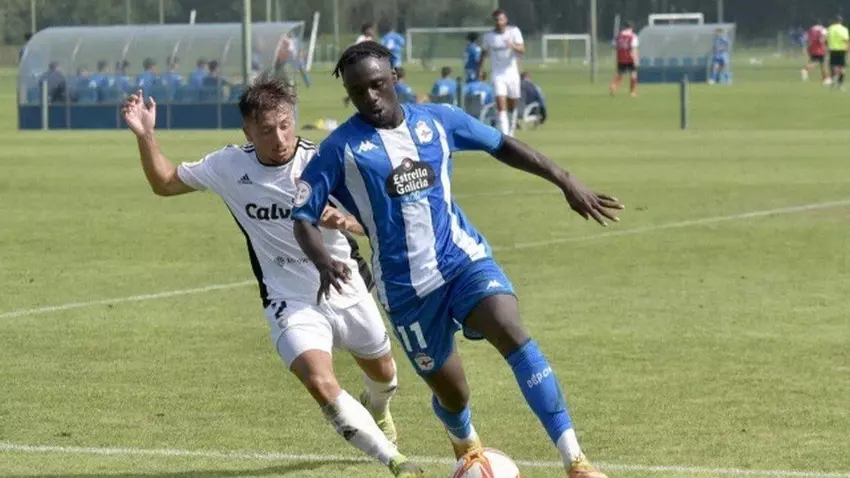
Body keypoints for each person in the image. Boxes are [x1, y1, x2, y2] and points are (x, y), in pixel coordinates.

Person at [291, 41, 621, 478]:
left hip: (462, 260)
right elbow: (303, 215)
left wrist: (564, 179)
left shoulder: (439, 120)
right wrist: (322, 261)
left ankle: (575, 460)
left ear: (394, 77)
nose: (370, 96)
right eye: (357, 91)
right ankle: (466, 443)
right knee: (454, 395)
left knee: (512, 331)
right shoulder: (339, 149)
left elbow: (500, 144)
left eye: (377, 84)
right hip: (407, 291)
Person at [119, 75, 424, 478]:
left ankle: (378, 409)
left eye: (285, 125)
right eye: (266, 130)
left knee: (385, 377)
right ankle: (394, 461)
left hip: (345, 286)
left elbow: (381, 224)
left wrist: (345, 221)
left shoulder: (326, 161)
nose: (280, 138)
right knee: (320, 382)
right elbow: (165, 183)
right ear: (248, 132)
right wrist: (145, 135)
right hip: (289, 300)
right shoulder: (229, 166)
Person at [479, 9, 525, 136]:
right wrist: (480, 69)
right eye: (497, 20)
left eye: (501, 19)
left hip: (512, 73)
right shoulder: (489, 36)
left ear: (506, 20)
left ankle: (511, 130)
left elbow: (522, 49)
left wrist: (512, 45)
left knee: (512, 104)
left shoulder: (514, 32)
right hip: (497, 74)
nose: (499, 22)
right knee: (500, 103)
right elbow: (484, 53)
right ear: (494, 21)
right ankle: (506, 135)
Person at [610, 22, 639, 97]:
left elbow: (613, 45)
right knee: (633, 74)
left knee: (620, 74)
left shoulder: (618, 36)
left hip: (620, 58)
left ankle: (613, 85)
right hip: (630, 58)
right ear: (632, 27)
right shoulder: (633, 36)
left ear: (624, 27)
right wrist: (636, 59)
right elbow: (634, 49)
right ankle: (632, 92)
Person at [826, 16, 849, 91]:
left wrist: (827, 48)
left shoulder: (830, 28)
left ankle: (834, 80)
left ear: (834, 21)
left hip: (832, 49)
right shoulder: (844, 29)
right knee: (842, 67)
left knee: (833, 66)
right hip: (841, 50)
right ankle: (840, 84)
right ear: (841, 21)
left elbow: (826, 39)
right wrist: (848, 50)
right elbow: (846, 40)